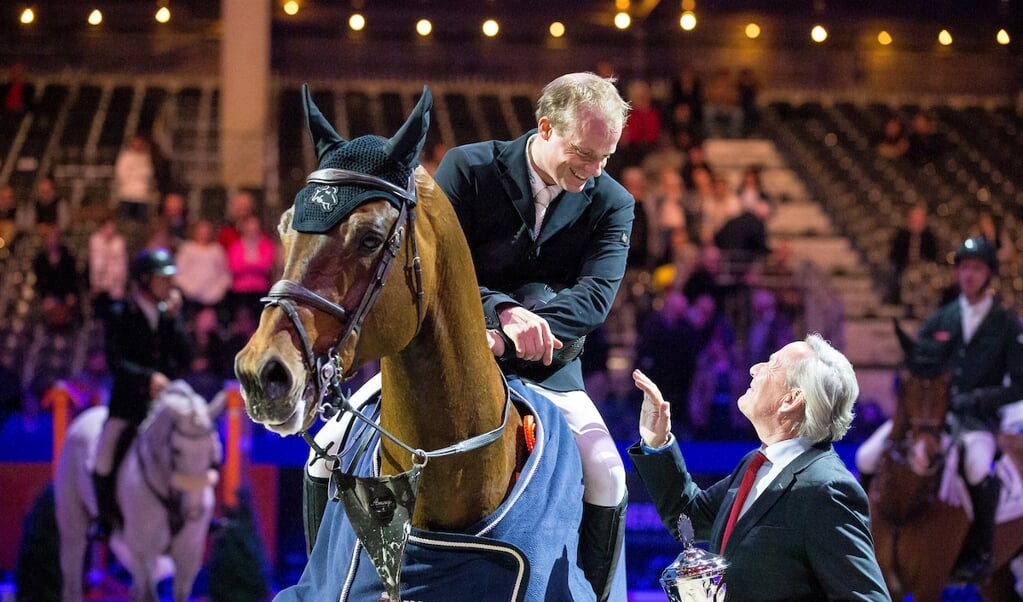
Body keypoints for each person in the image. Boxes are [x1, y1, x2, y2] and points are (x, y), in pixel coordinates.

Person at [433, 71, 633, 601]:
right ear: (545, 126)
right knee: (331, 447)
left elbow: (594, 297)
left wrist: (518, 334)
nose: (593, 172)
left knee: (608, 475)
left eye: (605, 159)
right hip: (453, 354)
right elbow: (437, 270)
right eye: (583, 154)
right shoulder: (467, 167)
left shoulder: (614, 203)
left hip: (551, 369)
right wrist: (499, 313)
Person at [630, 334, 891, 600]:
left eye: (771, 364)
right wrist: (657, 441)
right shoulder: (754, 464)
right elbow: (687, 518)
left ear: (791, 400)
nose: (755, 368)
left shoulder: (827, 489)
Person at [856, 236, 1023, 583]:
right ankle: (864, 535)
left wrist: (978, 399)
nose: (969, 275)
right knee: (866, 456)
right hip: (927, 419)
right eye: (964, 268)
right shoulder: (940, 320)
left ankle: (978, 551)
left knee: (978, 467)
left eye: (976, 268)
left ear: (989, 274)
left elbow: (1019, 385)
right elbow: (918, 367)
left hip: (976, 422)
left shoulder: (1005, 325)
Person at [92, 247, 193, 538]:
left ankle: (195, 512)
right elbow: (116, 361)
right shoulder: (120, 312)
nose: (169, 285)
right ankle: (104, 518)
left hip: (163, 406)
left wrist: (175, 320)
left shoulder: (166, 315)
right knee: (104, 454)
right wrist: (147, 378)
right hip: (129, 403)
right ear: (144, 280)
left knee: (194, 445)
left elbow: (186, 357)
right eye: (163, 279)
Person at [885, 203, 939, 305]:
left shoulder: (929, 236)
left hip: (924, 266)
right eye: (915, 217)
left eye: (920, 217)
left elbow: (934, 254)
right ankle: (894, 300)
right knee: (892, 272)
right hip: (904, 265)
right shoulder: (902, 234)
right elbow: (894, 253)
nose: (917, 220)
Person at [113, 134, 155, 222]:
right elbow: (121, 173)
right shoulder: (126, 157)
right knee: (125, 219)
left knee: (141, 221)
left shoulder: (146, 157)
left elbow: (148, 174)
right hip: (127, 193)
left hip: (142, 194)